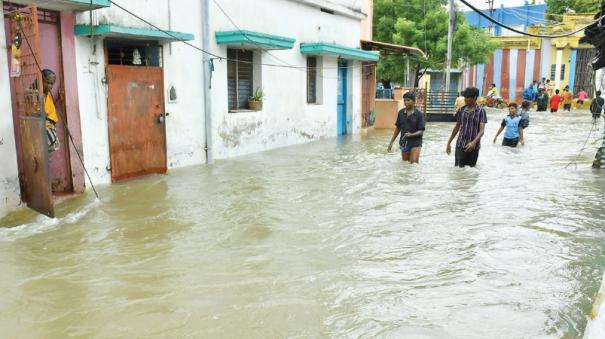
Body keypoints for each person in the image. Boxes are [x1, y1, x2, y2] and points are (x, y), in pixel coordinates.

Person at [446, 87, 487, 168]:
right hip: (460, 144)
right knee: (459, 170)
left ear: (475, 97)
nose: (465, 99)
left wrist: (473, 143)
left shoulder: (481, 111)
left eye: (467, 97)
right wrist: (449, 142)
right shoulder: (461, 110)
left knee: (471, 171)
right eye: (465, 97)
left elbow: (482, 130)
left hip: (474, 147)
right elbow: (457, 127)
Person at [388, 91, 426, 163]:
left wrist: (410, 135)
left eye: (408, 100)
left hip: (416, 142)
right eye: (404, 100)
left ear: (414, 101)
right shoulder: (401, 113)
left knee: (414, 163)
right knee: (405, 164)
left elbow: (421, 131)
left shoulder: (419, 114)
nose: (406, 102)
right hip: (404, 142)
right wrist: (391, 142)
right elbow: (398, 128)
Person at [41, 69, 59, 152]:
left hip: (50, 126)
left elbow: (50, 109)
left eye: (52, 84)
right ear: (41, 80)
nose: (50, 86)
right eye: (48, 83)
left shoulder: (47, 94)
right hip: (43, 130)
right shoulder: (37, 94)